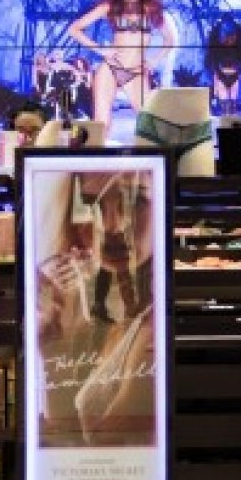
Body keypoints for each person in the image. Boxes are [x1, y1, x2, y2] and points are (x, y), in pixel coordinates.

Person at [34, 170, 158, 447]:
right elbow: (64, 430)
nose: (113, 226)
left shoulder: (155, 324)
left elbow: (109, 442)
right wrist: (51, 347)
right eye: (92, 205)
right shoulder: (84, 309)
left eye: (135, 202)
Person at [66, 0, 177, 125]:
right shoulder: (111, 5)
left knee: (150, 125)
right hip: (112, 67)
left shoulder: (151, 7)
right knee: (102, 125)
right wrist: (100, 50)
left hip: (136, 71)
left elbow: (170, 39)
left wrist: (154, 60)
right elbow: (74, 29)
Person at [205, 18, 241, 113]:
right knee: (223, 97)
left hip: (234, 77)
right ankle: (225, 111)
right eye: (226, 36)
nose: (229, 39)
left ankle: (231, 112)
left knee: (233, 98)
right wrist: (219, 74)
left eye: (232, 36)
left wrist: (238, 72)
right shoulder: (216, 51)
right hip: (221, 77)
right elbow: (211, 63)